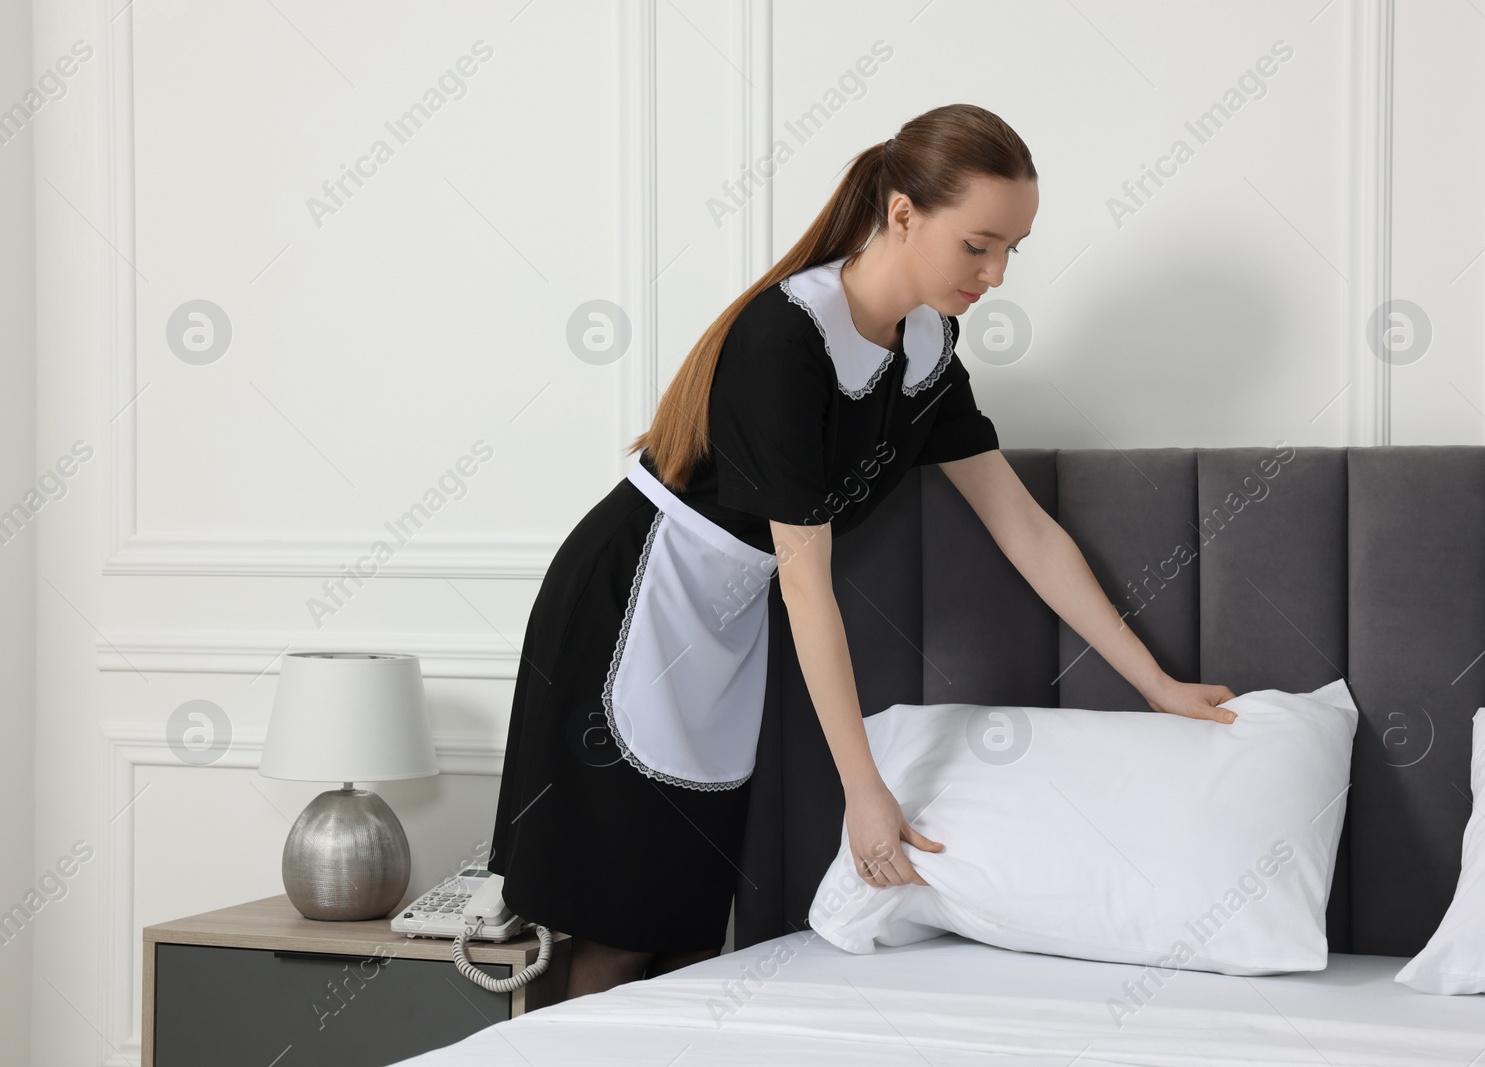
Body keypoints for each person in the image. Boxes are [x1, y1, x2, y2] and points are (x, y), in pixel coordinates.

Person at [487, 103, 1238, 1001]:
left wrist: (1155, 683)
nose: (996, 274)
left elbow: (1025, 529)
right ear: (902, 213)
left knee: (683, 933)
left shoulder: (926, 349)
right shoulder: (785, 336)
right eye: (978, 245)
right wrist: (865, 791)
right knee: (617, 931)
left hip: (729, 619)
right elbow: (808, 583)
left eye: (1013, 250)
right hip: (633, 605)